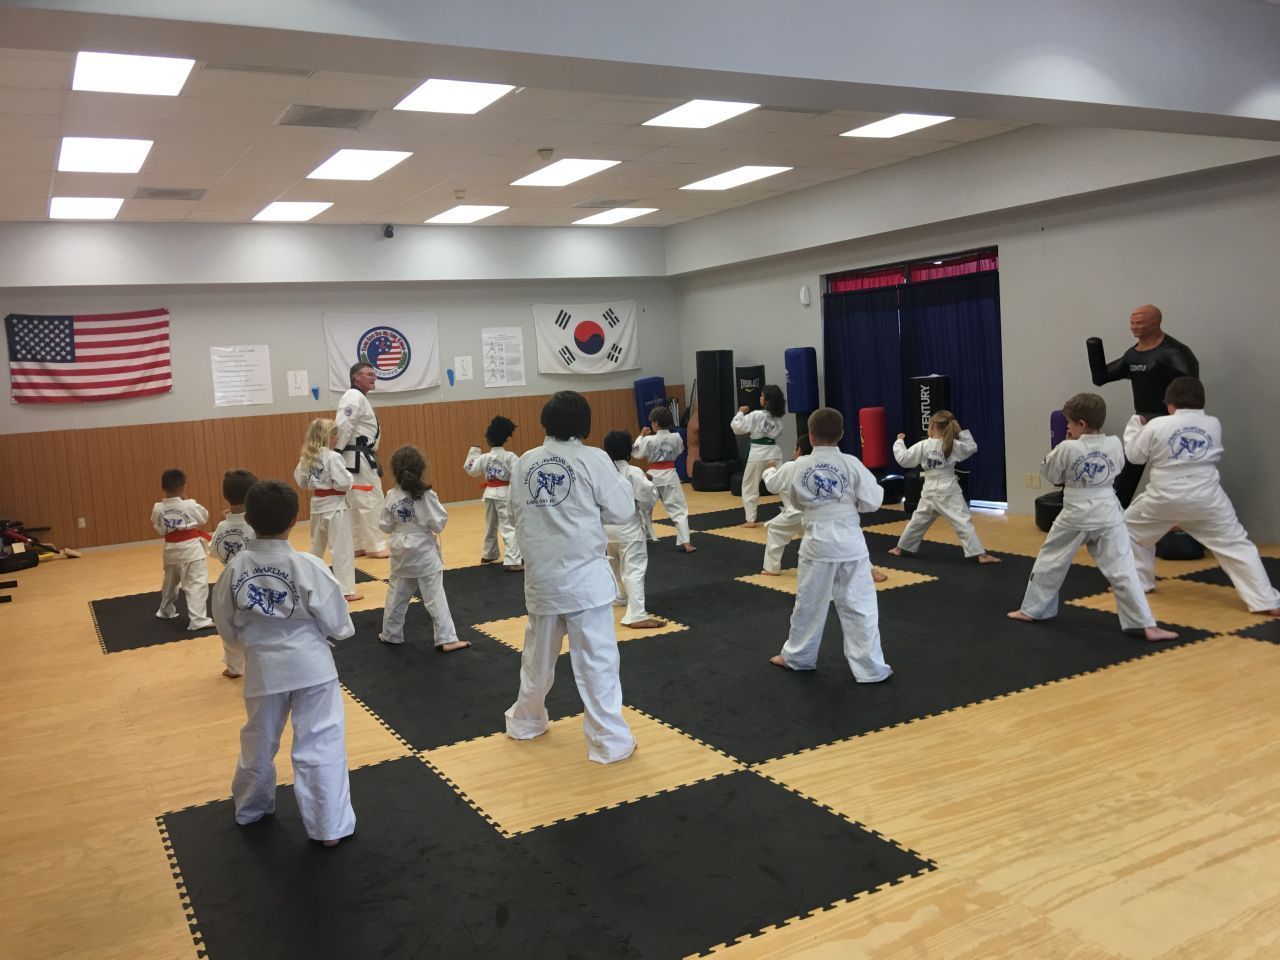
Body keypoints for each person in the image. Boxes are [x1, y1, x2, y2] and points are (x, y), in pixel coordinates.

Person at [210, 479, 356, 848]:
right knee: (320, 742)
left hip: (262, 667)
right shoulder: (308, 565)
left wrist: (250, 644)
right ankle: (329, 828)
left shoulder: (234, 569)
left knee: (258, 738)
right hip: (313, 667)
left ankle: (250, 808)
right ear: (295, 519)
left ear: (249, 520)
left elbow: (224, 624)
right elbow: (339, 624)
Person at [504, 391, 639, 764]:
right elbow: (622, 511)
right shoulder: (592, 458)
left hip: (543, 579)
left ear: (546, 422)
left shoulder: (524, 462)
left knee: (537, 657)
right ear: (584, 424)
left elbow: (515, 517)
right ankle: (608, 741)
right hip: (584, 582)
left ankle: (526, 722)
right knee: (597, 663)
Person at [1008, 392, 1179, 641]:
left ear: (1081, 424)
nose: (1066, 426)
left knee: (1051, 561)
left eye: (1069, 423)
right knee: (1123, 567)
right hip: (1108, 510)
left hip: (1076, 513)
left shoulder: (1067, 447)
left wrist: (1066, 446)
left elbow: (1054, 476)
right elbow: (1118, 468)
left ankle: (1033, 610)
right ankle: (1144, 624)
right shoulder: (1113, 442)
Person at [1123, 377, 1279, 615]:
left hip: (1162, 499)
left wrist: (1135, 426)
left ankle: (1140, 583)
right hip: (1208, 499)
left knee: (1129, 530)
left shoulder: (1157, 425)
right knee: (1237, 546)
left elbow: (1134, 456)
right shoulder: (1213, 423)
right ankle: (1266, 601)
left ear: (1170, 403)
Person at [763, 408, 893, 682]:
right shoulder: (851, 463)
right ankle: (871, 669)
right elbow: (873, 501)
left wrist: (770, 472)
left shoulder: (798, 465)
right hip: (851, 543)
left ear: (810, 436)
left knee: (809, 603)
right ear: (843, 434)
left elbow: (781, 490)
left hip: (817, 543)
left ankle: (797, 657)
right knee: (860, 605)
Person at [1087, 304, 1199, 506]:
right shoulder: (1133, 355)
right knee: (1128, 473)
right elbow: (1101, 378)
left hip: (1171, 423)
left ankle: (1182, 523)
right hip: (1144, 421)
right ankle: (1112, 518)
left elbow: (1192, 387)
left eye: (1139, 322)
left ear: (1155, 323)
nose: (1134, 327)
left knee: (1175, 476)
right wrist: (1093, 349)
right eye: (1132, 322)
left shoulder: (1174, 352)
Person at [378, 445, 469, 649]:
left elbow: (384, 526)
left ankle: (391, 633)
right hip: (422, 550)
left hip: (400, 549)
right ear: (421, 469)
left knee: (397, 593)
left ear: (395, 470)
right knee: (434, 595)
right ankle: (447, 638)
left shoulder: (391, 495)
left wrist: (402, 526)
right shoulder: (426, 496)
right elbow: (439, 524)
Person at [888, 411, 1001, 564]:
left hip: (929, 491)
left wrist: (899, 442)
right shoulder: (952, 444)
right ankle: (980, 554)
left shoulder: (923, 445)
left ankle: (900, 548)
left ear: (932, 426)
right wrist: (960, 431)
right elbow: (972, 447)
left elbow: (903, 459)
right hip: (948, 490)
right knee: (962, 521)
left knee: (918, 521)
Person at [293, 418, 361, 603]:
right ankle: (346, 590)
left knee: (316, 547)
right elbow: (343, 483)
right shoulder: (332, 457)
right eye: (334, 434)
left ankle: (307, 583)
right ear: (326, 436)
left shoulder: (307, 457)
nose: (337, 437)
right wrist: (350, 481)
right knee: (342, 548)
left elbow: (300, 481)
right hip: (335, 506)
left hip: (317, 506)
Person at [602, 430, 663, 630]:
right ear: (629, 450)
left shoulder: (601, 473)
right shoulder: (632, 472)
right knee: (634, 569)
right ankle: (637, 615)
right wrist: (650, 485)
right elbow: (647, 497)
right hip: (628, 528)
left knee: (614, 564)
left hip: (605, 528)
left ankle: (620, 596)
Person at [336, 361, 388, 558]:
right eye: (369, 374)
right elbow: (343, 426)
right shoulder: (353, 396)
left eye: (374, 374)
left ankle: (358, 545)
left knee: (356, 502)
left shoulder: (357, 397)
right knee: (369, 500)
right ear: (356, 377)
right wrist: (336, 453)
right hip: (357, 457)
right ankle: (375, 546)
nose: (374, 377)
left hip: (357, 456)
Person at [151, 467, 213, 630]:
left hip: (170, 550)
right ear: (183, 486)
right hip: (191, 551)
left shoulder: (158, 508)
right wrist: (186, 500)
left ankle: (165, 610)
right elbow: (204, 517)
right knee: (196, 584)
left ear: (163, 488)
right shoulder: (190, 505)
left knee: (170, 583)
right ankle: (198, 620)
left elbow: (158, 527)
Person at [211, 468, 257, 678]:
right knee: (254, 625)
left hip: (228, 581)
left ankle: (233, 667)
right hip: (252, 583)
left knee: (228, 626)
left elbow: (214, 551)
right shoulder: (255, 526)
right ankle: (258, 663)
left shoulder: (222, 526)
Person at [633, 405, 696, 553]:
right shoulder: (676, 437)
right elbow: (679, 451)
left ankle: (645, 537)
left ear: (656, 423)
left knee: (644, 509)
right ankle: (686, 542)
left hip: (652, 476)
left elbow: (636, 453)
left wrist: (641, 436)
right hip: (670, 475)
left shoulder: (648, 439)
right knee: (679, 509)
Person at [463, 415, 523, 571]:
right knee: (508, 526)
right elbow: (519, 475)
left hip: (489, 494)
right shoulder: (510, 457)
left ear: (488, 440)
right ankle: (514, 560)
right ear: (505, 439)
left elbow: (470, 469)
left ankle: (488, 553)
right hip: (504, 494)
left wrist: (474, 452)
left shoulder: (484, 458)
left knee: (490, 525)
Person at [731, 385, 786, 527]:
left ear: (767, 400)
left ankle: (750, 519)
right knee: (782, 484)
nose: (759, 398)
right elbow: (779, 432)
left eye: (761, 396)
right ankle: (793, 511)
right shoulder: (778, 418)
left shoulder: (756, 415)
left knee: (749, 485)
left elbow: (737, 427)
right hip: (774, 451)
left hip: (758, 453)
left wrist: (740, 413)